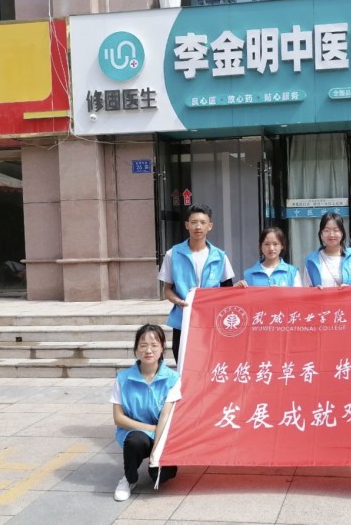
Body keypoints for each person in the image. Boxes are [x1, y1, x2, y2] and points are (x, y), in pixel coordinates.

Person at [110, 324, 181, 501]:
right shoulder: (123, 378)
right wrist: (151, 428)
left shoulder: (173, 379)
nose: (148, 350)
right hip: (136, 433)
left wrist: (156, 454)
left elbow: (165, 416)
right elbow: (118, 418)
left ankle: (155, 464)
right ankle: (129, 479)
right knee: (135, 440)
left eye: (154, 345)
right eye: (143, 345)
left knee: (160, 477)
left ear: (162, 348)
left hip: (164, 435)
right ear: (136, 349)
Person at [158, 204, 235, 363]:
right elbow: (167, 290)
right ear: (187, 225)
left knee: (210, 363)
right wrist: (178, 301)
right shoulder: (173, 254)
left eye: (202, 222)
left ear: (210, 226)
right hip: (183, 319)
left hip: (211, 321)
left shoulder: (220, 256)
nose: (198, 226)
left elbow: (228, 290)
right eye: (193, 222)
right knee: (184, 364)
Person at [303, 212, 351, 288]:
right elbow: (306, 289)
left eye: (336, 230)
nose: (331, 234)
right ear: (321, 234)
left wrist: (350, 289)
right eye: (327, 230)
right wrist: (315, 290)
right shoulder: (311, 260)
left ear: (342, 233)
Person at [234, 227, 302, 288]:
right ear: (261, 246)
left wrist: (282, 293)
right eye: (267, 244)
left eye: (275, 244)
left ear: (282, 246)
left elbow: (298, 296)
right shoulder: (249, 274)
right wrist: (236, 289)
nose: (271, 248)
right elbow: (244, 297)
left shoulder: (292, 272)